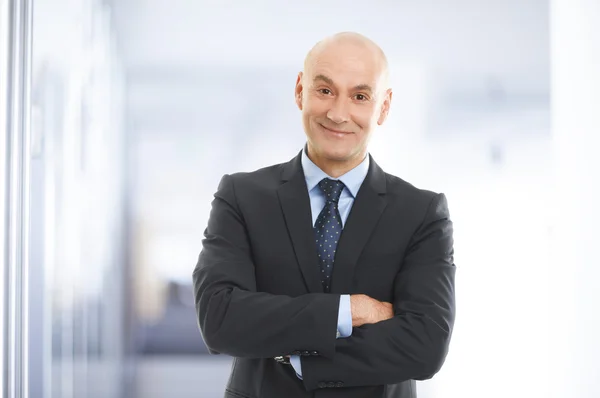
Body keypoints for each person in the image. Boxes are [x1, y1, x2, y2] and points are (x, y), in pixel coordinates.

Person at [192, 31, 456, 398]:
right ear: (300, 90)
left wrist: (301, 359)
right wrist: (351, 311)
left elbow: (424, 346)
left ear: (383, 106)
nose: (338, 113)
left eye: (360, 96)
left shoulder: (421, 213)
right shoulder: (242, 196)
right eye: (325, 90)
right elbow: (219, 319)